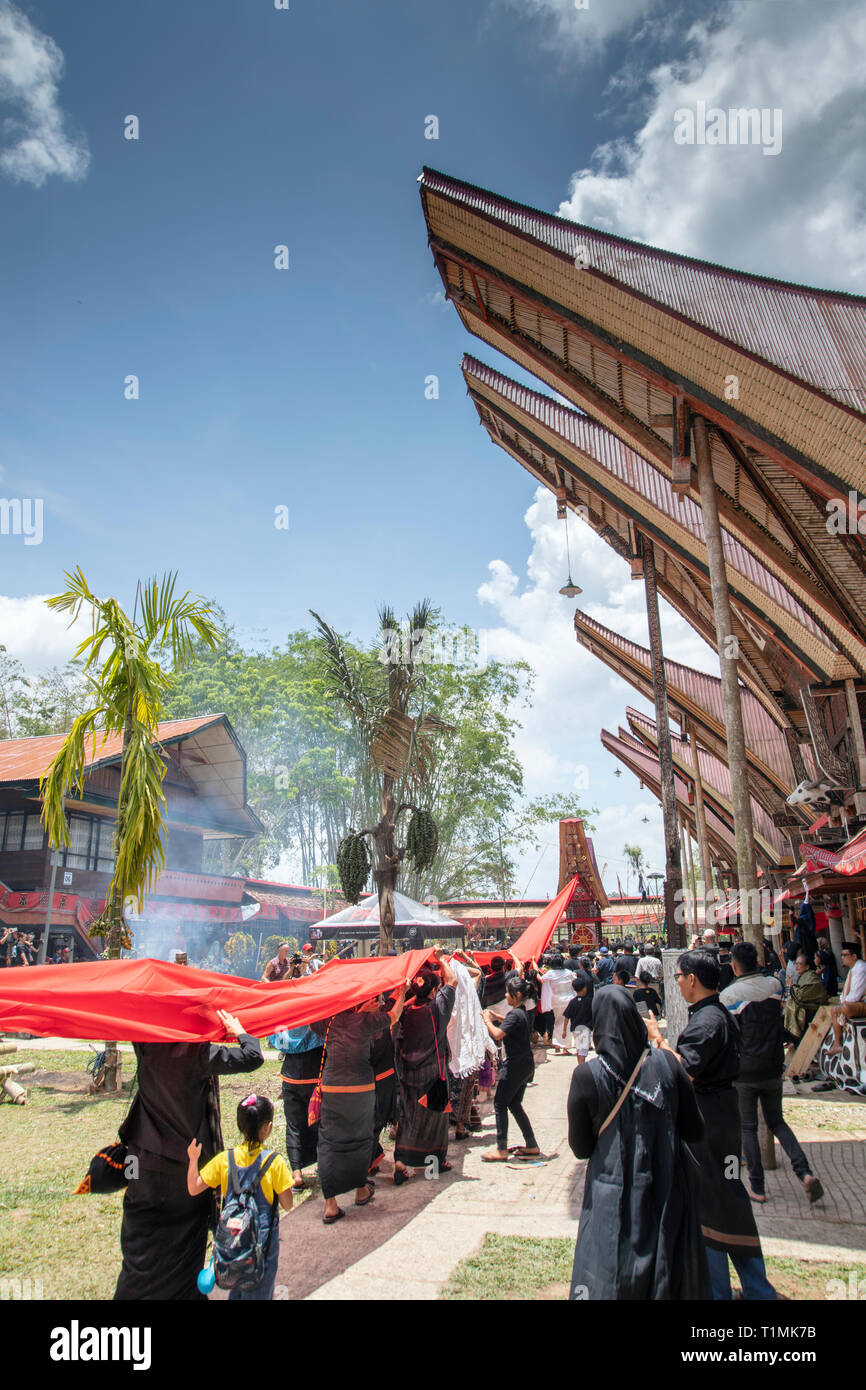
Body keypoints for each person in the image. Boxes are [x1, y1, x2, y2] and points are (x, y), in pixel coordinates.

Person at [645, 952, 778, 1301]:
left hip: (708, 1126)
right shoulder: (718, 1014)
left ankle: (717, 1291)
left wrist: (658, 1039)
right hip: (725, 1122)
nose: (676, 982)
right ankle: (757, 1288)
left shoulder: (706, 1023)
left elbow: (682, 1072)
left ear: (691, 979)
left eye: (677, 976)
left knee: (710, 1202)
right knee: (732, 1197)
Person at [567, 988, 710, 1300]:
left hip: (611, 1189)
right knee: (669, 1267)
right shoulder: (669, 1065)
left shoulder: (586, 1076)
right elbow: (695, 1130)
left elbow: (580, 1148)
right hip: (668, 1184)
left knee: (610, 1269)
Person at [114, 1009, 264, 1300]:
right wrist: (238, 1030)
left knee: (139, 1236)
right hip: (186, 1168)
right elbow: (253, 1056)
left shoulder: (146, 1044)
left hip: (141, 1162)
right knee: (185, 1241)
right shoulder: (199, 1054)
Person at [720, 942, 823, 1205]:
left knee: (748, 1127)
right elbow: (778, 1020)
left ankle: (757, 1186)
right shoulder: (774, 986)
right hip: (773, 1066)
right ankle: (804, 1172)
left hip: (744, 1071)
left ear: (734, 964)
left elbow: (728, 1036)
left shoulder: (729, 996)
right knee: (777, 1122)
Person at [187, 1093, 293, 1300]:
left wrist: (193, 1159)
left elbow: (193, 1187)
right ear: (268, 1127)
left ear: (239, 1126)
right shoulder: (275, 1162)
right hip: (262, 1247)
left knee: (236, 1291)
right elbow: (288, 1204)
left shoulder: (224, 1159)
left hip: (232, 1244)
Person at [314, 987, 407, 1223]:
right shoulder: (365, 1021)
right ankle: (360, 1190)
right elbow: (394, 1015)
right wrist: (403, 990)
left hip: (332, 1087)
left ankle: (330, 1204)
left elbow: (310, 1022)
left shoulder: (330, 1021)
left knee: (328, 1141)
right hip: (361, 1088)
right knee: (361, 1138)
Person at [393, 953, 457, 1184]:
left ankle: (400, 1161)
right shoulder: (437, 1010)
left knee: (408, 1116)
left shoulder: (406, 1011)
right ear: (433, 991)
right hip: (433, 1073)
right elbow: (453, 982)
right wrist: (441, 960)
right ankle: (434, 1163)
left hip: (409, 1072)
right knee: (435, 1118)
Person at [481, 976, 539, 1161]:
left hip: (514, 1065)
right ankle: (531, 1144)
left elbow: (498, 1034)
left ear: (517, 995)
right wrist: (496, 1016)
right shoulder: (521, 1012)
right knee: (514, 1104)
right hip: (525, 1065)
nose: (505, 995)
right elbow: (508, 1021)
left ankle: (501, 1148)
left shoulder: (515, 1015)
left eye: (508, 993)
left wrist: (487, 1021)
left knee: (500, 1104)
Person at [278, 1024, 324, 1190]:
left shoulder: (286, 1016)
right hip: (315, 1073)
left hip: (290, 1075)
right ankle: (323, 1164)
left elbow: (279, 1041)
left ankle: (296, 1174)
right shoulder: (314, 1012)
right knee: (321, 1122)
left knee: (293, 1125)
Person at [827, 941, 866, 1056]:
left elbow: (854, 997)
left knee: (840, 1009)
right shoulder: (854, 968)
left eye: (845, 955)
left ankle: (837, 1043)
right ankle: (837, 1043)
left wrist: (843, 1003)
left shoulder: (860, 968)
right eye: (842, 955)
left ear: (854, 956)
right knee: (837, 1008)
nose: (842, 958)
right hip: (859, 1002)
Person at [783, 952, 828, 1047]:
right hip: (806, 1005)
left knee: (792, 1009)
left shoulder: (811, 977)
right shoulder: (803, 977)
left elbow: (801, 995)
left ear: (807, 967)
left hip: (812, 1008)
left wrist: (791, 986)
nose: (797, 966)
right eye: (796, 963)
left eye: (800, 964)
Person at [539, 953, 575, 1054]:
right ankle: (564, 1046)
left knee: (557, 1021)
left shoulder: (550, 973)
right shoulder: (568, 972)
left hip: (555, 1000)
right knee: (566, 1024)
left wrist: (535, 968)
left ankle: (557, 1044)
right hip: (568, 1000)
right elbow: (575, 979)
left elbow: (541, 979)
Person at [561, 970, 593, 1063]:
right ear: (584, 988)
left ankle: (580, 1066)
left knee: (579, 1049)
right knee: (582, 1051)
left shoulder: (572, 1002)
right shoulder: (589, 1001)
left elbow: (567, 1016)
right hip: (585, 1029)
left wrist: (564, 1030)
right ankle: (581, 1068)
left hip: (575, 1029)